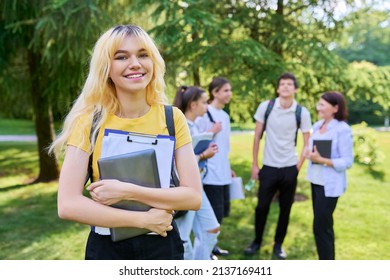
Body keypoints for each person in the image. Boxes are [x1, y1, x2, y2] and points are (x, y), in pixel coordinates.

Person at [49, 24, 201, 260]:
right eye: (121, 57)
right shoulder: (89, 123)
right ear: (106, 68)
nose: (135, 64)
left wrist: (127, 191)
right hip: (108, 250)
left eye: (143, 55)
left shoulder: (173, 118)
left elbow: (192, 197)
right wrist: (142, 220)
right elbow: (67, 204)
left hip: (163, 246)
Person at [244, 72, 312, 259]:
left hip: (290, 168)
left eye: (289, 84)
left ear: (295, 89)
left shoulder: (302, 112)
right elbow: (257, 136)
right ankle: (257, 241)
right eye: (282, 84)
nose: (285, 87)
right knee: (261, 208)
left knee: (285, 209)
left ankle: (278, 245)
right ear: (277, 88)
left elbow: (307, 143)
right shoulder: (266, 107)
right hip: (268, 167)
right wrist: (255, 164)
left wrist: (297, 166)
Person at [173, 85, 221, 260]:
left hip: (198, 187)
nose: (207, 106)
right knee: (183, 237)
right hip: (186, 187)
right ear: (193, 105)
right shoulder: (181, 127)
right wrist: (203, 154)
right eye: (204, 102)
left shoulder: (192, 127)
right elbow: (178, 163)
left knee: (212, 228)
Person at [304, 91, 353, 260]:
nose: (319, 107)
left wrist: (323, 160)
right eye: (319, 104)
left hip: (329, 185)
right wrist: (309, 153)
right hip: (315, 181)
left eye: (322, 105)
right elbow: (313, 150)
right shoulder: (318, 126)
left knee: (320, 227)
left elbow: (347, 161)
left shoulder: (342, 129)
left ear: (335, 108)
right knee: (323, 226)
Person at [195, 77, 235, 257]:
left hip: (223, 172)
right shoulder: (205, 113)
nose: (229, 94)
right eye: (226, 90)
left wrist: (229, 167)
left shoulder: (225, 116)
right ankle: (206, 250)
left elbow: (225, 146)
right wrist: (211, 131)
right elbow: (194, 141)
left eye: (230, 90)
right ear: (215, 92)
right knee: (213, 214)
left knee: (222, 212)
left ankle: (212, 246)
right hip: (210, 174)